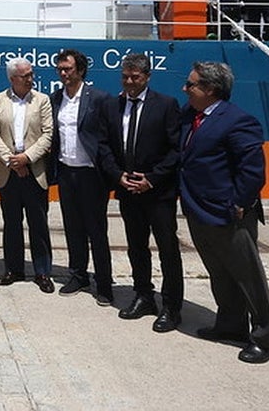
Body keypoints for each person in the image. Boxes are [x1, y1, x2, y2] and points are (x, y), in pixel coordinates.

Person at [181, 61, 269, 364]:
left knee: (248, 278)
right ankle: (230, 324)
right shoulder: (191, 116)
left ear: (210, 89)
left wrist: (239, 203)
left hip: (229, 214)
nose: (185, 89)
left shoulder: (238, 121)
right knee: (220, 273)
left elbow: (252, 170)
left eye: (191, 84)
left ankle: (265, 340)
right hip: (198, 209)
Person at [96, 53, 183, 331]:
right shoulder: (112, 105)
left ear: (147, 77)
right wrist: (117, 175)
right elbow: (104, 146)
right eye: (125, 77)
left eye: (135, 77)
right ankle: (144, 295)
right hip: (128, 191)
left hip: (158, 193)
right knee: (136, 247)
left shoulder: (166, 105)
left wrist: (152, 179)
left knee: (167, 250)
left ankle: (171, 306)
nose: (129, 82)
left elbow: (176, 149)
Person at [50, 48, 114, 305]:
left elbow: (108, 136)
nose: (63, 73)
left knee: (96, 231)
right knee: (73, 228)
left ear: (81, 70)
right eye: (60, 69)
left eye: (68, 69)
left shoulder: (99, 98)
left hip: (91, 175)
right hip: (66, 172)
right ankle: (78, 275)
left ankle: (104, 283)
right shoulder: (56, 98)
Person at [0, 57, 55, 292]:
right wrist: (12, 161)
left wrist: (27, 158)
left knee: (38, 222)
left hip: (35, 171)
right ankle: (13, 269)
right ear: (13, 78)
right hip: (7, 172)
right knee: (12, 222)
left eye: (31, 74)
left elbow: (48, 134)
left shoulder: (42, 100)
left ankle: (43, 272)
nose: (30, 79)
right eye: (26, 76)